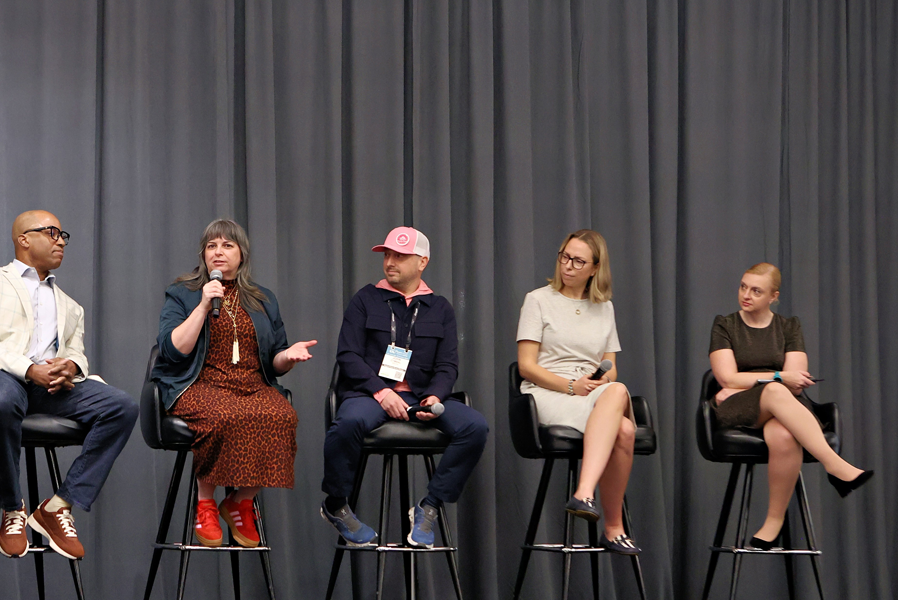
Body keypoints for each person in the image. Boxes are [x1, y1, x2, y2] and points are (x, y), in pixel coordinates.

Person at [0, 210, 138, 560]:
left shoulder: (71, 306)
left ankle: (58, 506)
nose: (60, 241)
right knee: (2, 399)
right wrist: (28, 369)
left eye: (63, 235)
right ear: (24, 239)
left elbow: (76, 353)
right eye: (52, 233)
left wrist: (71, 366)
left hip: (47, 388)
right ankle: (12, 507)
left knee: (122, 407)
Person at [152, 219, 316, 548]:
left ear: (242, 254)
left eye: (227, 245)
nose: (218, 252)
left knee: (282, 416)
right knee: (224, 415)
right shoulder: (183, 293)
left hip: (251, 385)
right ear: (203, 254)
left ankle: (240, 501)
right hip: (199, 384)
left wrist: (288, 356)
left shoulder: (263, 299)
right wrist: (202, 306)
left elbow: (276, 361)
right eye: (211, 246)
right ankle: (205, 503)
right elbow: (173, 350)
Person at [321, 227, 489, 547]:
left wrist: (435, 396)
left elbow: (447, 365)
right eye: (387, 255)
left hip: (421, 396)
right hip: (371, 393)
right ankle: (336, 504)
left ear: (422, 262)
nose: (390, 262)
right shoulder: (365, 299)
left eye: (400, 256)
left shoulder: (440, 308)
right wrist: (382, 392)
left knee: (475, 427)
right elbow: (348, 355)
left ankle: (430, 505)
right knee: (348, 423)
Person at [708, 262, 872, 549]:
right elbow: (727, 377)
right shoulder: (725, 324)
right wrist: (777, 376)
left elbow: (797, 382)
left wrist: (753, 380)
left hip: (785, 404)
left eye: (756, 291)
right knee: (775, 388)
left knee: (784, 434)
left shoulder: (788, 326)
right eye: (743, 287)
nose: (746, 295)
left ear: (774, 296)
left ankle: (773, 521)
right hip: (738, 407)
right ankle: (834, 465)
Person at [516, 229, 641, 554]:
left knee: (623, 417)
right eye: (565, 257)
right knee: (622, 413)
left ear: (595, 268)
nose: (568, 266)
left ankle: (607, 522)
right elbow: (526, 366)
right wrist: (572, 386)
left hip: (590, 392)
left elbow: (611, 367)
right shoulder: (538, 300)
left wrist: (598, 379)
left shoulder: (605, 308)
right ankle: (591, 500)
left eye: (578, 261)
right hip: (548, 393)